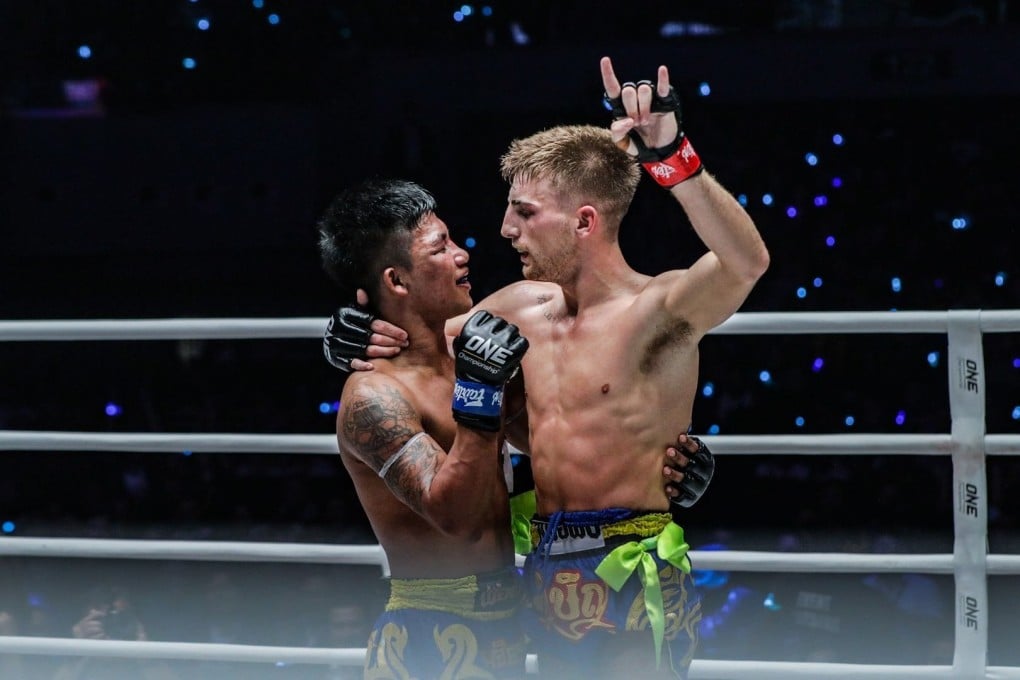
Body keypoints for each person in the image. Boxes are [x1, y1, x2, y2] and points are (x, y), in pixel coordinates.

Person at [327, 55, 768, 679]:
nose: (505, 230)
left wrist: (673, 157)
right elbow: (421, 340)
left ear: (584, 221)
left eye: (526, 212)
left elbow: (745, 262)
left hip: (630, 554)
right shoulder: (515, 309)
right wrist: (349, 333)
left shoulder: (658, 308)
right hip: (544, 567)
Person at [316, 178, 531, 679]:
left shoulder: (469, 355)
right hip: (429, 634)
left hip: (507, 619)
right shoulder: (374, 396)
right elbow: (455, 514)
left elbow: (546, 439)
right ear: (396, 281)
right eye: (441, 247)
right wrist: (479, 394)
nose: (463, 256)